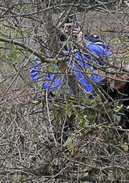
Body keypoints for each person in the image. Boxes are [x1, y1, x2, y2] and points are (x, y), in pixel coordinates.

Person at [29, 13, 111, 142]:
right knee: (62, 135)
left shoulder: (90, 40)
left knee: (93, 134)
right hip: (62, 98)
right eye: (65, 27)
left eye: (72, 26)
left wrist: (82, 42)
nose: (68, 30)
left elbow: (105, 57)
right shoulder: (51, 44)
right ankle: (64, 159)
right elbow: (36, 70)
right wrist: (52, 88)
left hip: (89, 96)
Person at [95, 65, 129, 138]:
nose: (114, 78)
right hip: (110, 129)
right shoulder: (102, 86)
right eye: (111, 74)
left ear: (127, 76)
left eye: (119, 75)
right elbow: (98, 114)